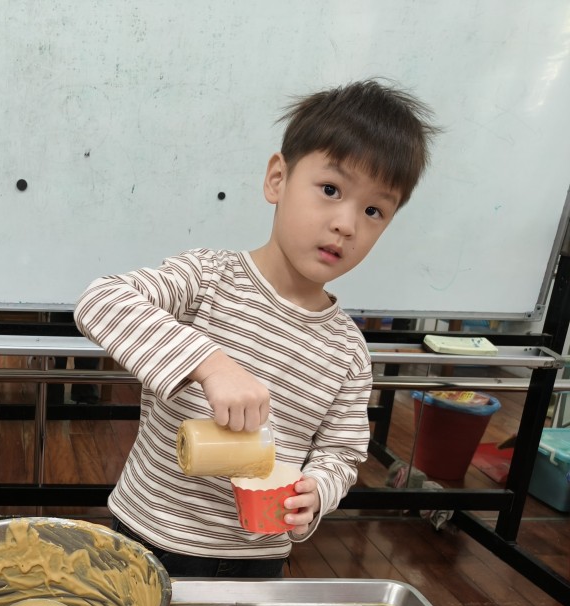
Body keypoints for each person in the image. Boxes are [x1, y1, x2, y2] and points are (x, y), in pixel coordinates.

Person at [74, 80, 438, 578]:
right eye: (330, 190)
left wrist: (317, 491)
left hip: (257, 559)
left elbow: (341, 451)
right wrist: (209, 364)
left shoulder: (347, 350)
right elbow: (101, 300)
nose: (346, 224)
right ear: (277, 179)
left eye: (374, 210)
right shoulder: (208, 278)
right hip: (149, 535)